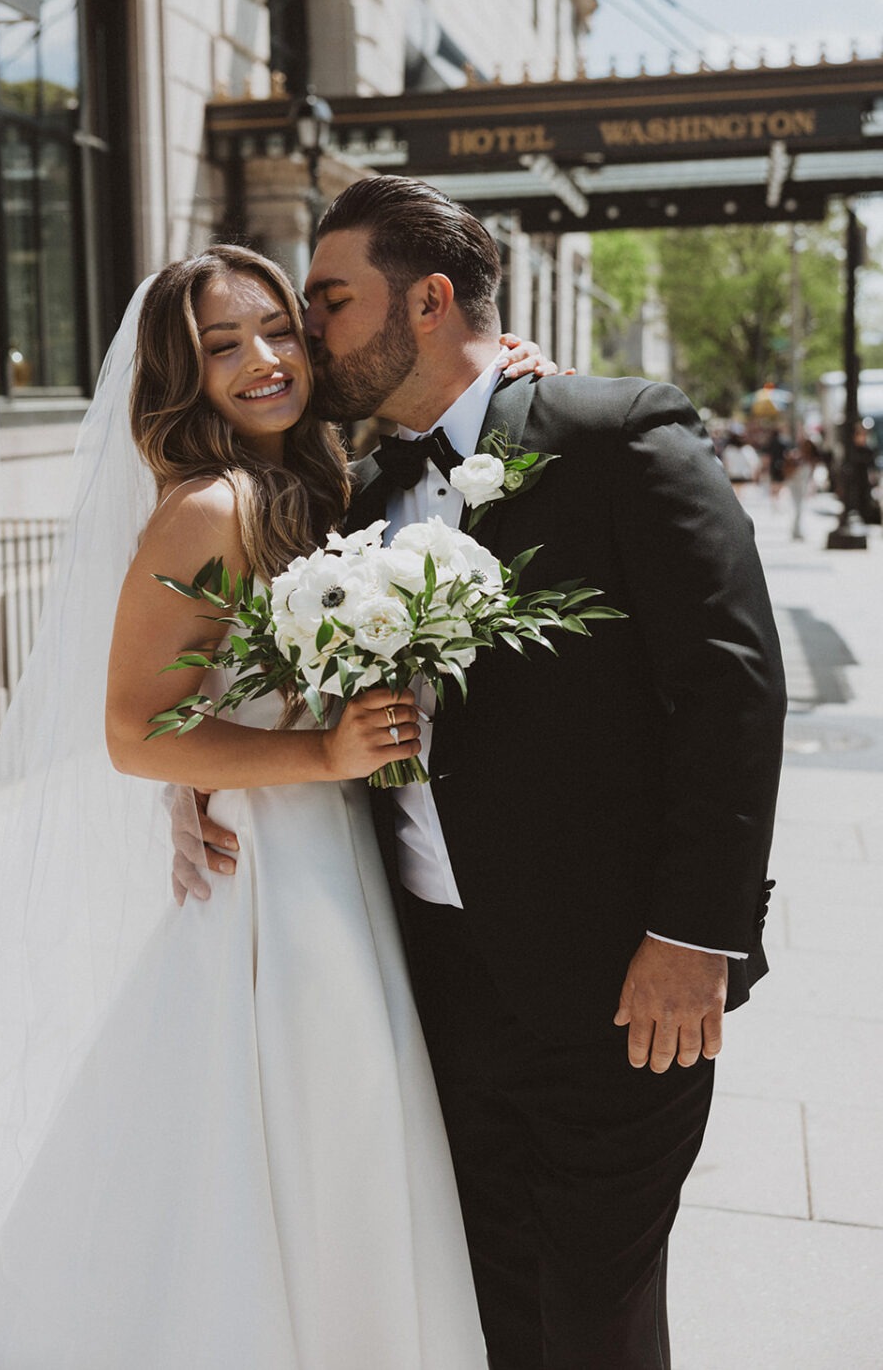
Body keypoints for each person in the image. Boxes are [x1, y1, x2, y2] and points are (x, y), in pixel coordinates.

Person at [0, 244, 547, 1370]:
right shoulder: (206, 508)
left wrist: (515, 372)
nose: (262, 360)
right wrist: (321, 755)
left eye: (279, 329)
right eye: (220, 345)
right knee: (313, 1122)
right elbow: (130, 728)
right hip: (280, 884)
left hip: (348, 853)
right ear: (180, 375)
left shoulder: (330, 479)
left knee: (344, 1128)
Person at [178, 176, 787, 1370]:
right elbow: (243, 677)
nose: (306, 334)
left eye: (331, 301)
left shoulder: (612, 433)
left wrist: (693, 935)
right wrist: (195, 776)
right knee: (487, 1291)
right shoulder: (343, 489)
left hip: (618, 978)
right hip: (429, 972)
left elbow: (730, 691)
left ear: (431, 300)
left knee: (596, 1306)